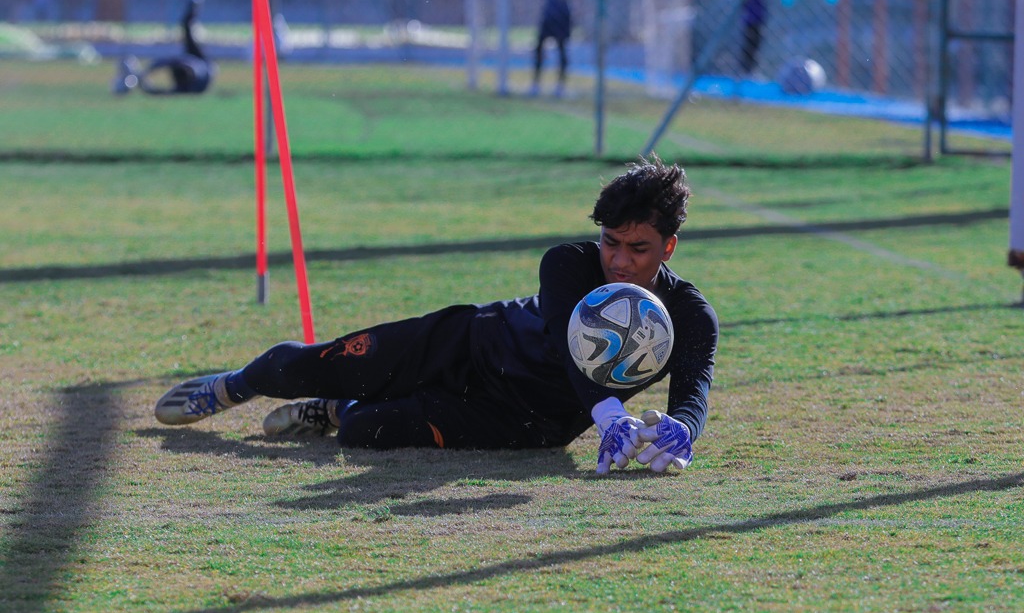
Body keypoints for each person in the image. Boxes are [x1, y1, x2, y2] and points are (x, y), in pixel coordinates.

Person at [154, 157, 718, 475]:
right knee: (313, 363)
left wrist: (681, 432)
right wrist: (610, 411)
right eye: (610, 242)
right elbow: (573, 352)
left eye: (637, 248)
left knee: (362, 430)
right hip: (469, 344)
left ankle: (331, 411)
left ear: (668, 247)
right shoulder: (568, 265)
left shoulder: (691, 316)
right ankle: (234, 385)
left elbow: (692, 392)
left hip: (523, 424)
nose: (618, 260)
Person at [112, 0, 215, 95]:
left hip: (204, 72)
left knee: (186, 25)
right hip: (205, 67)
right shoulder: (190, 70)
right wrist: (143, 75)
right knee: (186, 26)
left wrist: (140, 78)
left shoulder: (185, 84)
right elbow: (164, 65)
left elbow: (159, 84)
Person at [738, 0, 772, 75]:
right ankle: (747, 69)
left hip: (754, 21)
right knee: (751, 46)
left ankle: (748, 69)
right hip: (753, 21)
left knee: (751, 46)